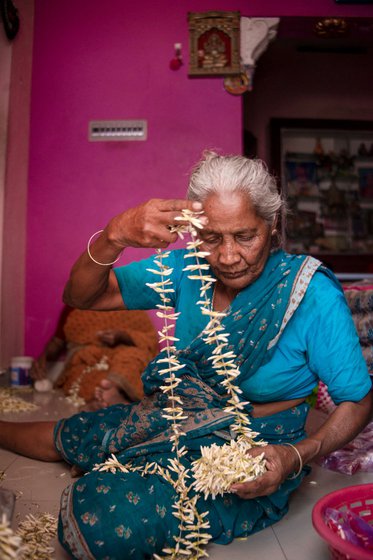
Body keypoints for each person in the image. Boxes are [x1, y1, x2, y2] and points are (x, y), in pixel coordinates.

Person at [0, 151, 372, 560]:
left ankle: (128, 457)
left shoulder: (309, 293)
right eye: (211, 238)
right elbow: (80, 295)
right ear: (194, 231)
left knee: (111, 520)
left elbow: (358, 399)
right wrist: (113, 236)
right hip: (176, 416)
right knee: (72, 433)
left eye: (245, 236)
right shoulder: (188, 269)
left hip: (251, 447)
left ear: (273, 226)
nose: (228, 257)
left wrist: (297, 455)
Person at [30, 305, 158, 406]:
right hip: (88, 360)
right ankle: (108, 399)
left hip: (122, 354)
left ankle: (113, 391)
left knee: (133, 358)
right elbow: (57, 342)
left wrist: (122, 336)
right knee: (83, 377)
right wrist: (42, 360)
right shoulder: (75, 305)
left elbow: (149, 339)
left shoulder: (126, 301)